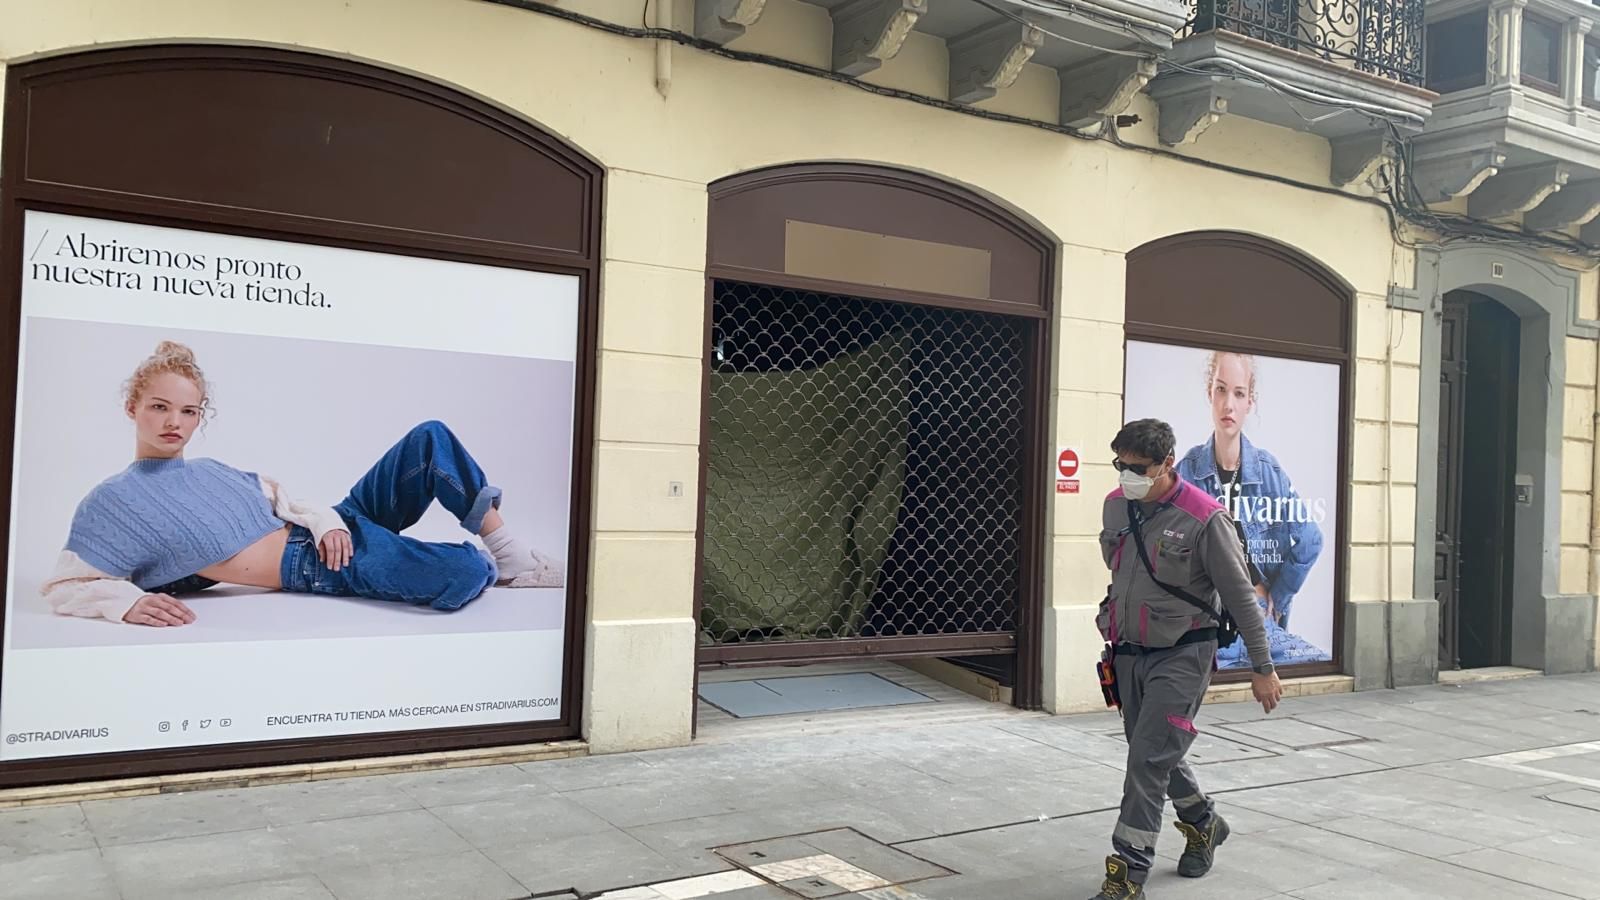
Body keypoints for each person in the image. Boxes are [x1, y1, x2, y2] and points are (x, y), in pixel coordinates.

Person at [41, 341, 563, 627]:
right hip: (312, 566)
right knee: (466, 572)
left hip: (334, 528)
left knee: (430, 439)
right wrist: (123, 604)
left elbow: (289, 503)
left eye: (188, 410)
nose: (174, 422)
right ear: (132, 408)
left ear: (201, 416)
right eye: (159, 407)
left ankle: (511, 556)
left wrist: (331, 521)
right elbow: (66, 586)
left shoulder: (212, 471)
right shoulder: (111, 502)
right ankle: (471, 562)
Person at [1090, 418, 1280, 900]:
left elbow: (1241, 598)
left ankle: (1127, 876)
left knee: (1147, 761)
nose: (1126, 475)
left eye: (1138, 467)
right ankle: (1203, 822)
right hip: (1129, 651)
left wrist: (1263, 668)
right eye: (1120, 464)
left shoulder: (1204, 518)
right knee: (1152, 752)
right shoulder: (1116, 507)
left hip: (1184, 653)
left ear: (1167, 463)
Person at [1175, 351, 1322, 633]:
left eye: (1239, 394)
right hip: (1204, 616)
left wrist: (1276, 598)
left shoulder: (1268, 472)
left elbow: (1311, 540)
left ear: (1250, 402)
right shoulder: (1188, 471)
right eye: (1221, 390)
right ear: (1210, 393)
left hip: (1255, 614)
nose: (1228, 404)